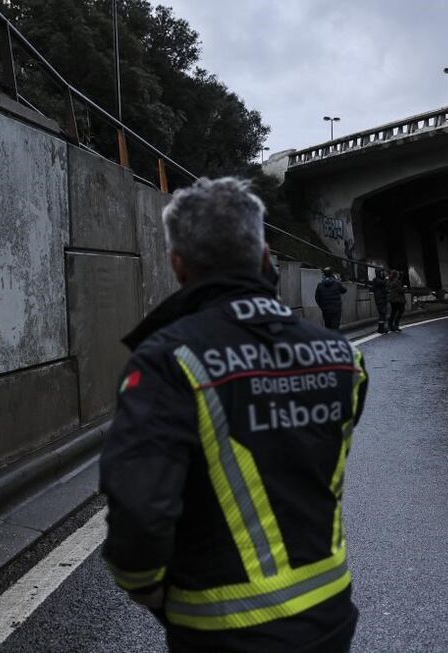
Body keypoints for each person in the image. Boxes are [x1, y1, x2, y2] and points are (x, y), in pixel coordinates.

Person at [99, 177, 368, 653]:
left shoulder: (169, 361)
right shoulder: (342, 356)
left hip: (223, 631)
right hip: (330, 610)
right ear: (265, 257)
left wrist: (143, 586)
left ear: (178, 265)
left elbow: (140, 513)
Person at [369, 269, 389, 333]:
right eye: (381, 272)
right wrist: (386, 278)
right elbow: (383, 283)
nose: (382, 273)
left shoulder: (379, 279)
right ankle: (380, 329)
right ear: (378, 273)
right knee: (382, 313)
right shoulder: (376, 280)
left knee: (383, 314)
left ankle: (382, 328)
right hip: (380, 299)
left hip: (382, 298)